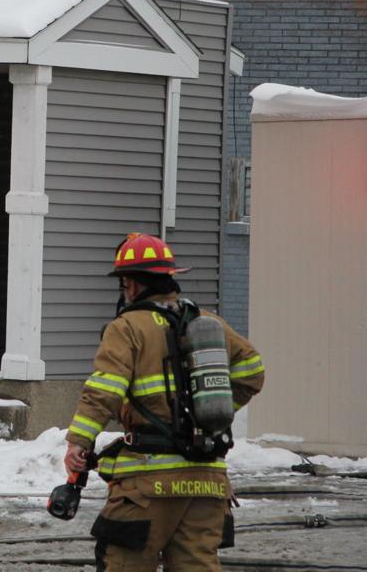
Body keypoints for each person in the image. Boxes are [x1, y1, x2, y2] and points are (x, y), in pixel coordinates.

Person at [63, 233, 266, 571]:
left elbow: (105, 389)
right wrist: (212, 410)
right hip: (208, 482)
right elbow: (253, 372)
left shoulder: (126, 327)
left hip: (147, 484)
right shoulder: (209, 324)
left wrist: (77, 442)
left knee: (124, 564)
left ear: (129, 283)